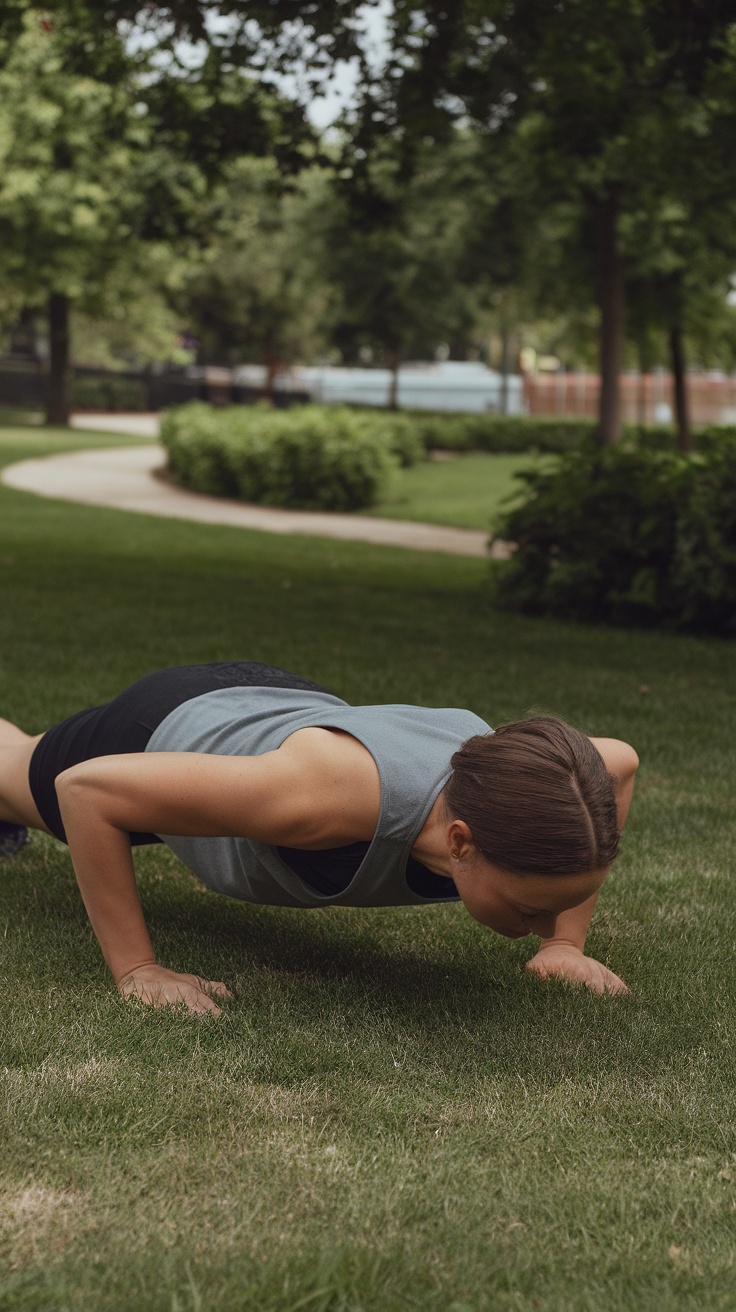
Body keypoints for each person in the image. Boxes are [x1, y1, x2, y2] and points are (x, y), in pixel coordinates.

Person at [0, 660, 638, 1015]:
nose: (538, 923)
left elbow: (620, 761)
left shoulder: (549, 794)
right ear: (461, 842)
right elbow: (87, 790)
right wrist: (138, 970)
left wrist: (565, 944)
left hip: (291, 707)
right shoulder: (316, 800)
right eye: (531, 910)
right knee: (17, 780)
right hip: (171, 722)